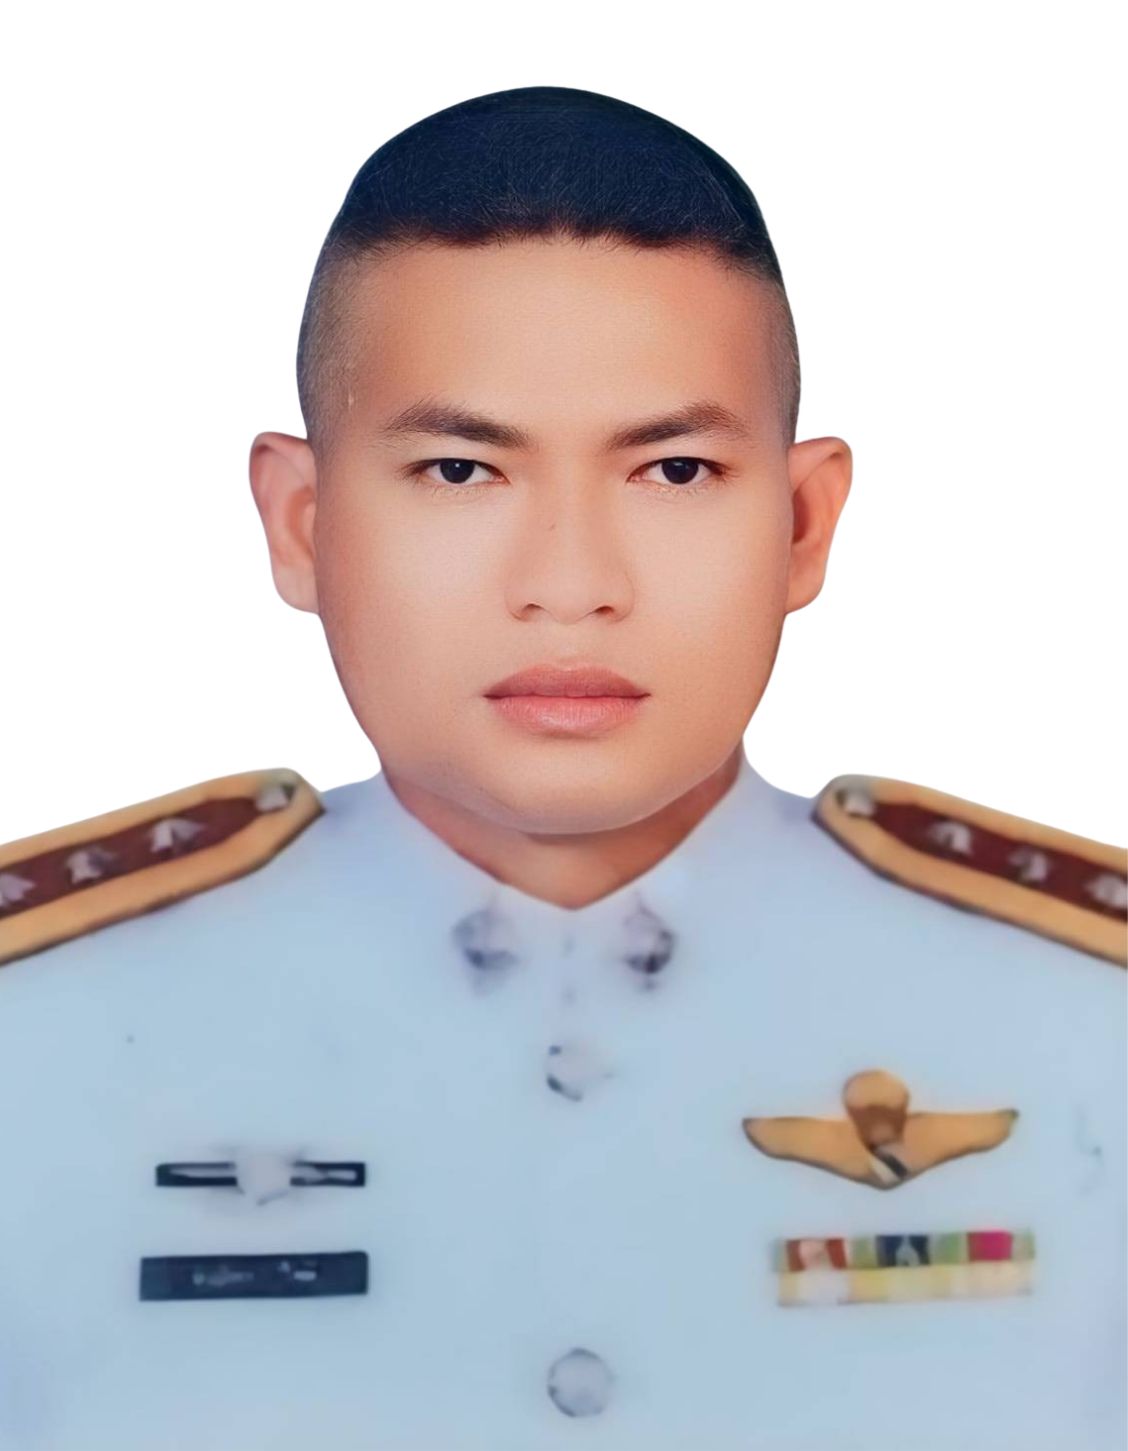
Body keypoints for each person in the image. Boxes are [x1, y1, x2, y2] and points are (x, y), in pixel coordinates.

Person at [0, 85, 1123, 1451]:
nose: (572, 583)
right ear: (301, 525)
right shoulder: (33, 1035)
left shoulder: (1089, 1021)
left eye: (676, 472)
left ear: (802, 524)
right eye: (460, 472)